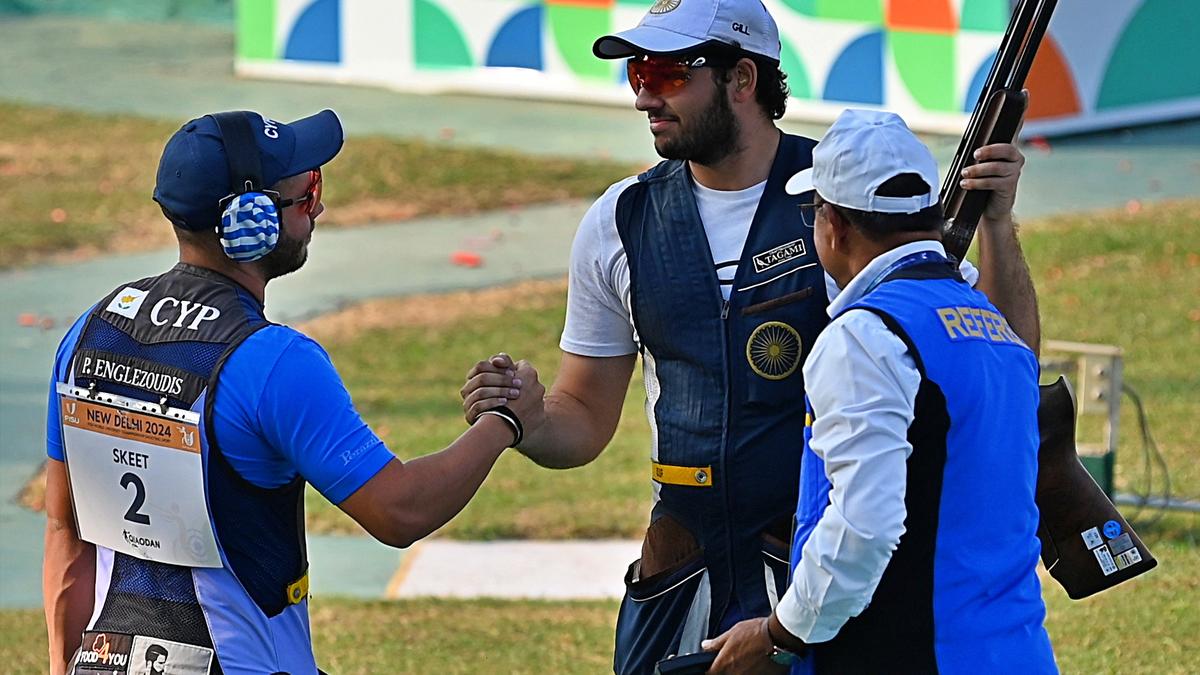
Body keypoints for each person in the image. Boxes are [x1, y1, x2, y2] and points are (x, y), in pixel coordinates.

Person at [460, 1, 1039, 671]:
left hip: (820, 566)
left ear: (742, 78)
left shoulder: (851, 196)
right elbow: (584, 415)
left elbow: (1003, 360)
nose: (644, 90)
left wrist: (997, 226)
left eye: (668, 71)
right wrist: (527, 420)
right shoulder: (618, 219)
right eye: (637, 70)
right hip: (681, 565)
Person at [42, 110, 541, 674]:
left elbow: (67, 529)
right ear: (249, 220)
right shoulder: (273, 362)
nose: (318, 208)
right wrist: (505, 422)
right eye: (306, 195)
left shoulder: (90, 331)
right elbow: (400, 511)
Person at [702, 109, 1056, 673]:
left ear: (833, 225)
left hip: (911, 654)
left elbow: (866, 525)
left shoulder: (864, 338)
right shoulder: (989, 322)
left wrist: (780, 632)